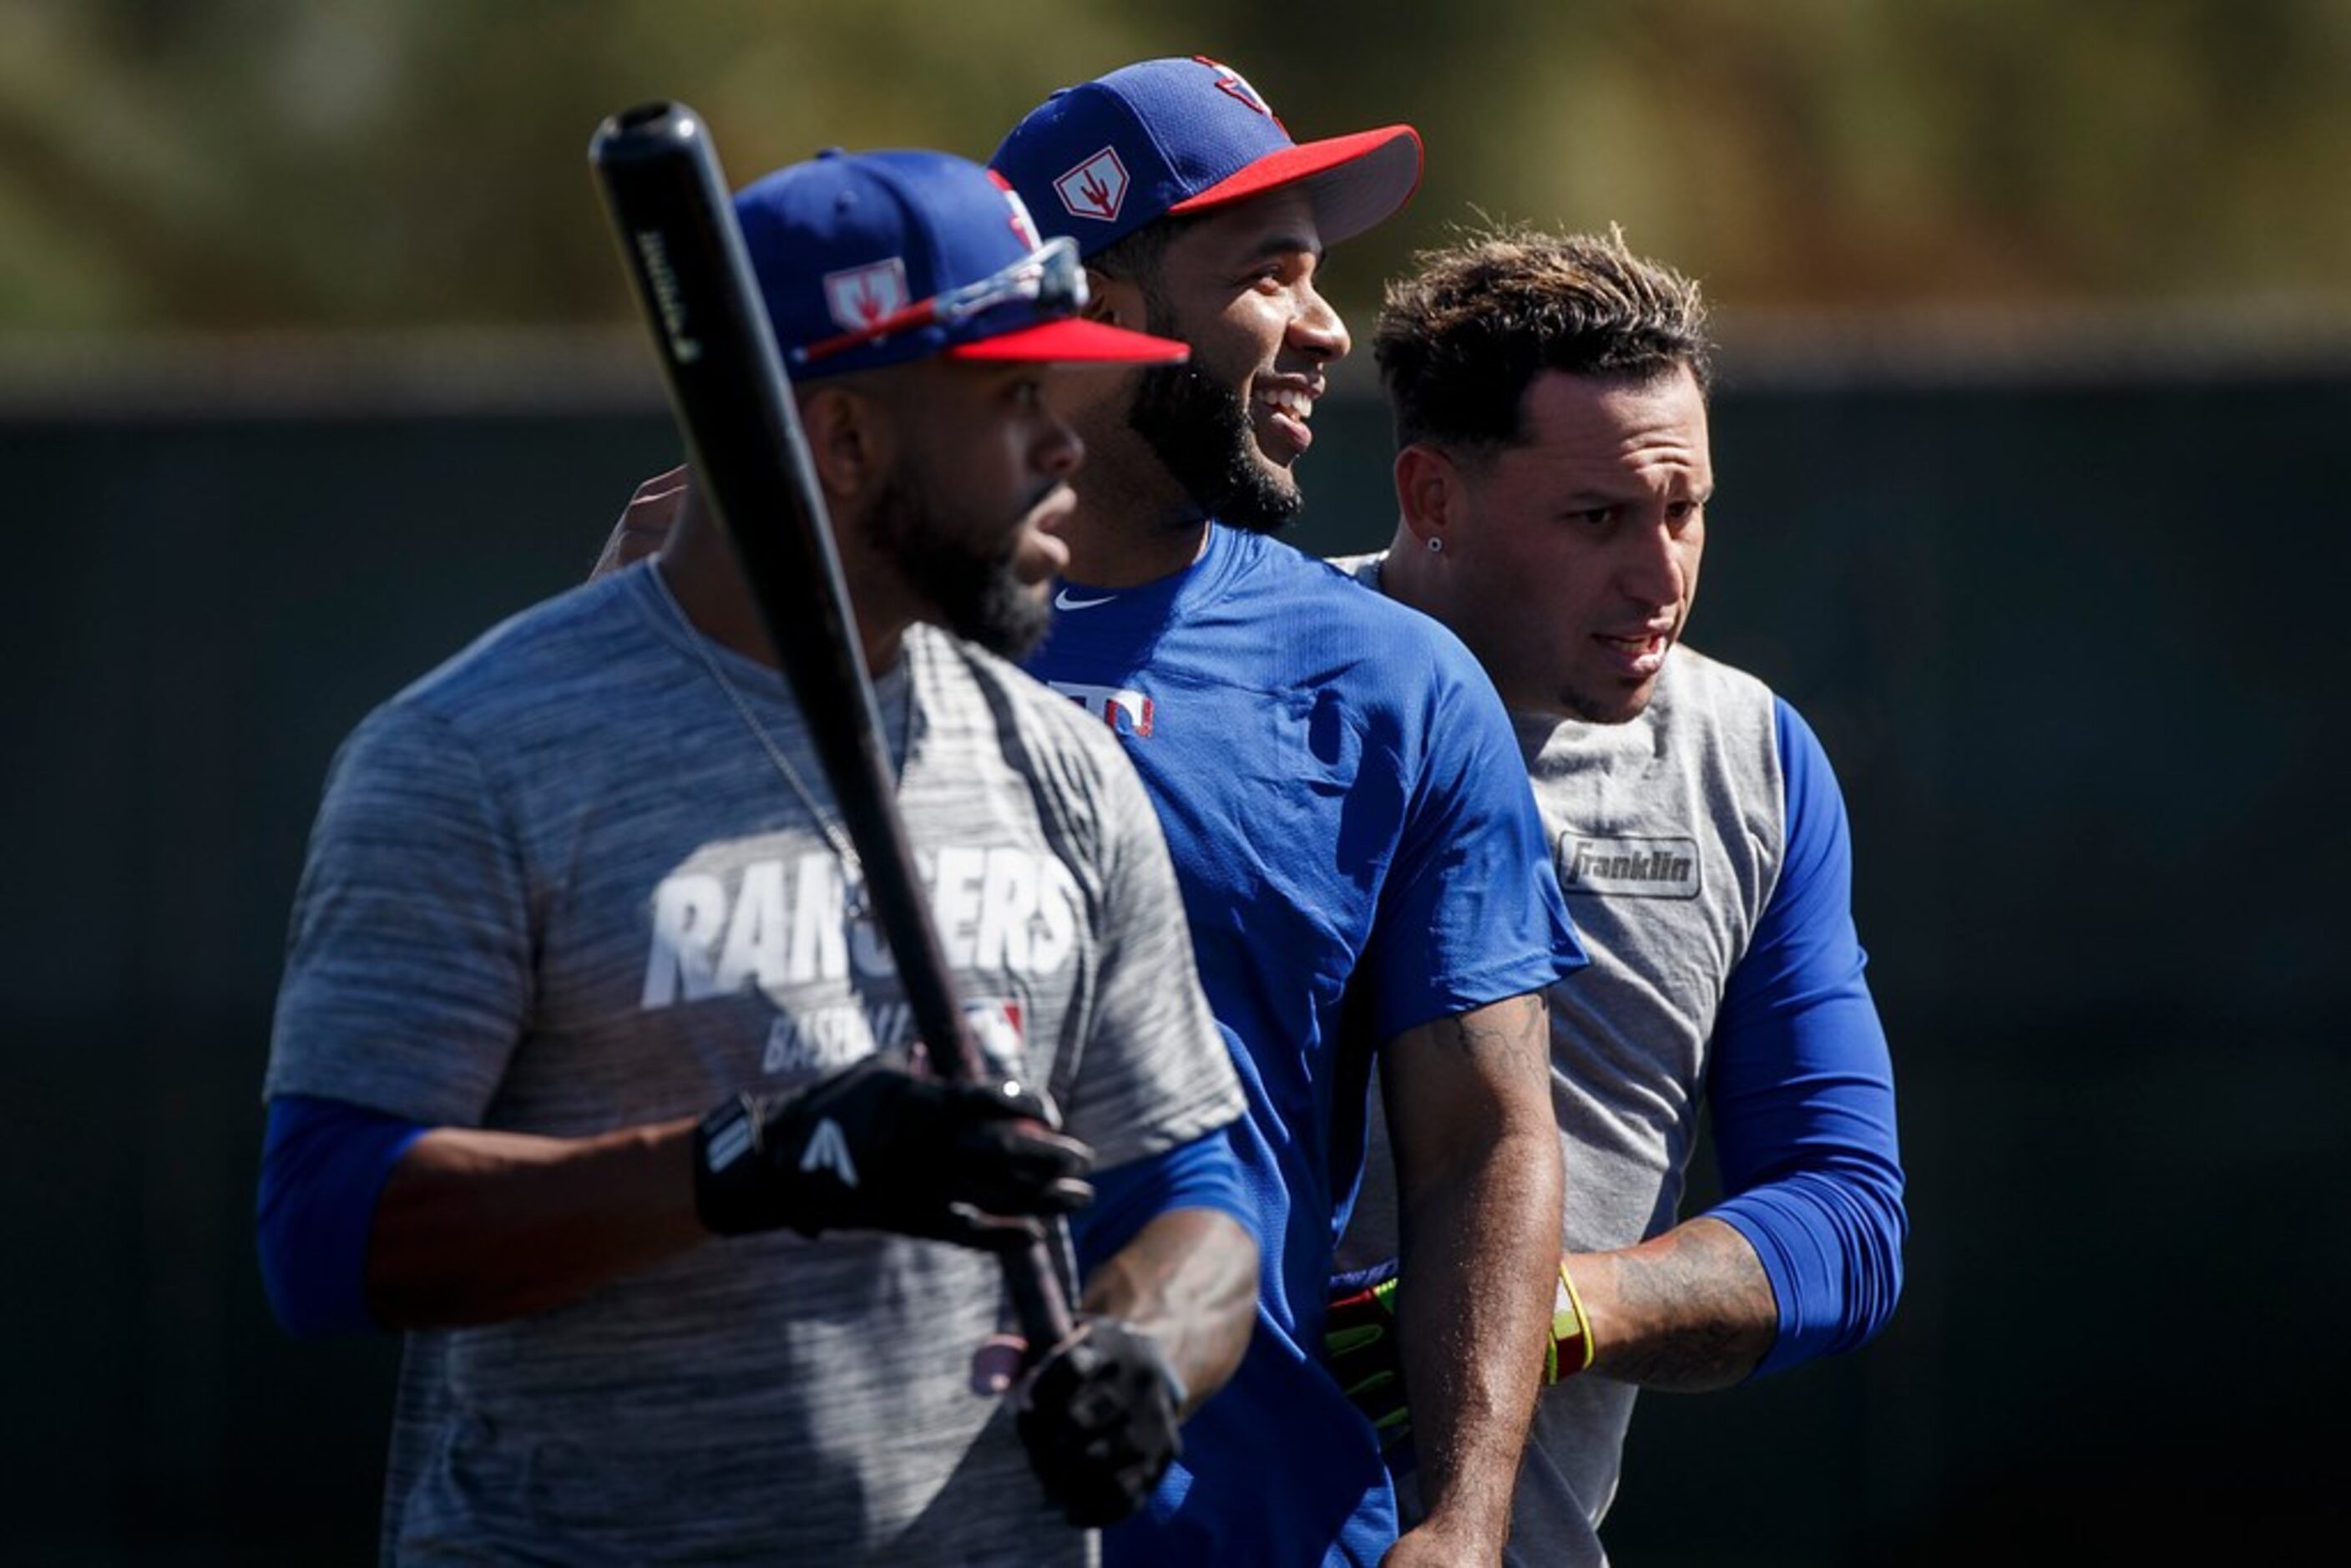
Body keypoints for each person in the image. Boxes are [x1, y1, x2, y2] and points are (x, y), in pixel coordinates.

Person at [255, 147, 1265, 1563]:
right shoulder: (477, 757)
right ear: (844, 441)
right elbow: (325, 1229)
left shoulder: (1061, 766)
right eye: (1013, 397)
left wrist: (1149, 1345)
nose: (1067, 447)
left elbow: (1201, 1190)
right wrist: (748, 1161)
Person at [988, 58, 1578, 1568]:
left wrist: (1463, 1521)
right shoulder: (845, 645)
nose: (1327, 328)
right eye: (1269, 276)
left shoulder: (1394, 684)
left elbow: (1482, 1142)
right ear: (1093, 301)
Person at [1324, 225, 1909, 1566]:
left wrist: (1551, 1304)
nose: (1661, 579)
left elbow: (1844, 1217)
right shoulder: (1248, 687)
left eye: (1684, 510)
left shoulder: (1751, 763)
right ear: (1433, 497)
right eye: (1598, 520)